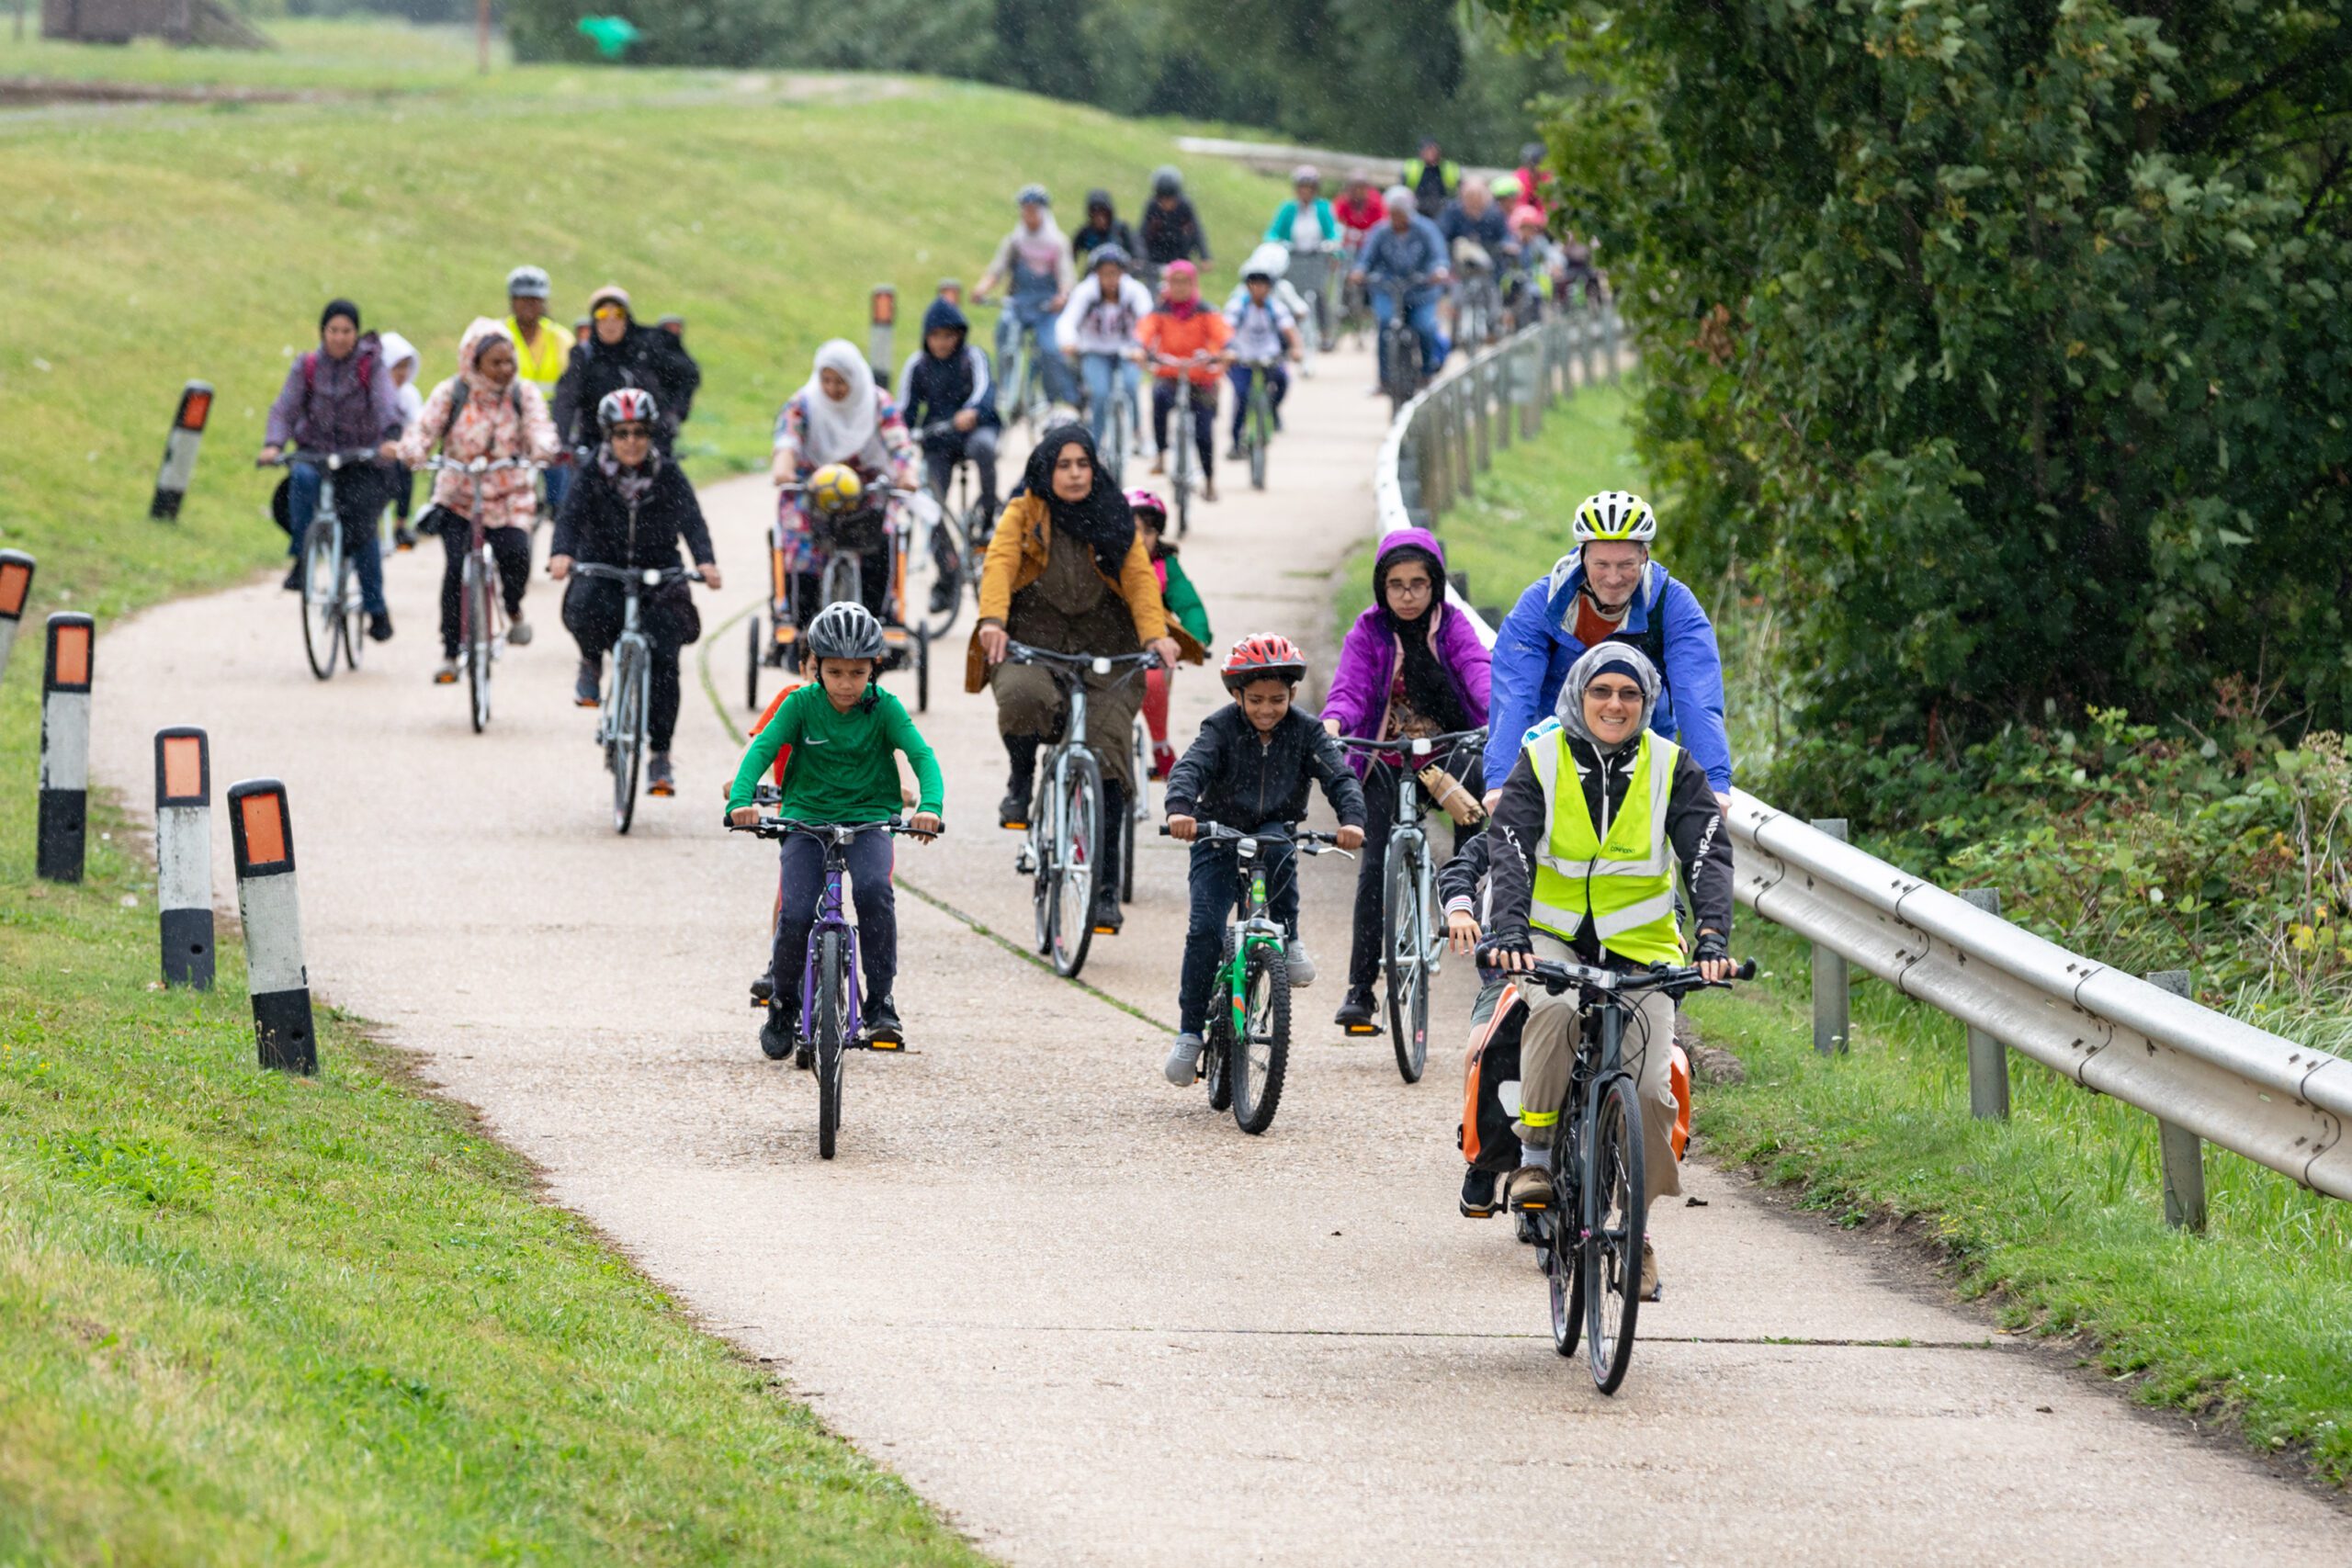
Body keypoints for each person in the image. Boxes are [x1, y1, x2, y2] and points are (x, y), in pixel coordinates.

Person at [1481, 641, 1736, 1299]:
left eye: (1628, 694)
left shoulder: (1673, 767)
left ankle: (1638, 1229)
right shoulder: (1541, 759)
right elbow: (1509, 845)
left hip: (1643, 945)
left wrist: (1711, 936)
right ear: (1579, 696)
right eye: (1601, 692)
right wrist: (1509, 929)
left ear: (1646, 702)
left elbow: (1707, 850)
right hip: (1552, 937)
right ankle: (1536, 1152)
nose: (1614, 704)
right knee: (1557, 1011)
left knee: (1651, 1088)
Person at [967, 426, 1189, 931]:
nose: (1073, 474)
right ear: (1046, 470)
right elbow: (999, 564)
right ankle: (1021, 779)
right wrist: (993, 621)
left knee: (1110, 750)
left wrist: (1155, 635)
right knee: (1022, 697)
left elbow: (1137, 575)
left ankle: (1105, 886)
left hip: (1108, 646)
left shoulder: (1114, 514)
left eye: (1081, 464)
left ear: (1095, 467)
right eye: (1062, 464)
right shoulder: (1023, 512)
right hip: (1034, 639)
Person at [727, 601, 944, 1053]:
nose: (847, 684)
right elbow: (762, 750)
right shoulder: (800, 705)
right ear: (816, 668)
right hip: (805, 819)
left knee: (874, 893)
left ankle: (881, 1003)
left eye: (858, 673)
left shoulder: (885, 708)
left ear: (874, 669)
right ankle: (784, 1003)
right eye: (836, 673)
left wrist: (931, 805)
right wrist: (740, 800)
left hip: (869, 820)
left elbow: (921, 756)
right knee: (796, 911)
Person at [1162, 634, 1367, 1085]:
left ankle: (1288, 937)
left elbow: (1340, 776)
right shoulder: (1219, 729)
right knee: (1204, 930)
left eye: (1277, 699)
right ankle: (1190, 1032)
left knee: (1279, 847)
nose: (1266, 709)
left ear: (1292, 694)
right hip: (1217, 831)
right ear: (1237, 695)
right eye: (1254, 700)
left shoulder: (1306, 731)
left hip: (1274, 826)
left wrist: (1352, 819)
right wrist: (1180, 809)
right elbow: (1190, 768)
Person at [1320, 527, 1492, 1031]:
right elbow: (1349, 689)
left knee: (1477, 825)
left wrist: (1495, 717)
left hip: (1449, 750)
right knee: (1374, 866)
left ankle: (1467, 913)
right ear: (1382, 588)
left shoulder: (1454, 626)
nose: (1408, 595)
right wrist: (1333, 723)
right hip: (1386, 756)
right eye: (1396, 585)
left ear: (1435, 584)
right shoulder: (1367, 632)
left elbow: (1480, 672)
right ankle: (1359, 991)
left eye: (1419, 583)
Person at [1481, 490, 1733, 808]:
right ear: (1582, 555)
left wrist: (1714, 782)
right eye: (1601, 564)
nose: (1613, 578)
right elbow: (1514, 694)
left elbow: (1697, 697)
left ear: (1645, 556)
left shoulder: (1674, 605)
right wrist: (1502, 781)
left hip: (1642, 759)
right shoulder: (1541, 605)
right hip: (1556, 756)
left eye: (1626, 564)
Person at [549, 388, 720, 797]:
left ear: (651, 435)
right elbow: (569, 516)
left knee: (666, 659)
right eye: (622, 433)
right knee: (583, 604)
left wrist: (705, 561)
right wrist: (561, 553)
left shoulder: (668, 473)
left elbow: (692, 520)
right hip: (604, 566)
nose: (631, 442)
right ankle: (591, 662)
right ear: (608, 435)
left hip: (657, 571)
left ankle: (660, 756)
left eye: (640, 433)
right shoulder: (591, 471)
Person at [396, 318, 560, 683]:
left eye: (509, 361)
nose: (505, 370)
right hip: (459, 497)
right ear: (473, 362)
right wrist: (413, 451)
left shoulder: (523, 393)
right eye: (495, 363)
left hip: (510, 495)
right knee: (457, 570)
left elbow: (539, 426)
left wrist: (543, 448)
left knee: (517, 555)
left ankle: (513, 608)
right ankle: (451, 653)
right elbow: (425, 429)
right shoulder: (451, 393)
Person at [260, 299, 401, 628]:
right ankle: (301, 557)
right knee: (301, 480)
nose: (339, 337)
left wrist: (390, 438)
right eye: (333, 330)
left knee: (362, 529)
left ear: (356, 333)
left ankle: (376, 607)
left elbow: (385, 404)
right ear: (322, 332)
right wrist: (273, 443)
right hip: (316, 453)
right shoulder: (306, 366)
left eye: (346, 331)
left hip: (360, 459)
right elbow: (285, 408)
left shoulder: (371, 366)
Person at [770, 339, 919, 626]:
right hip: (814, 484)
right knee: (799, 537)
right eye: (826, 380)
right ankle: (801, 621)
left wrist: (907, 473)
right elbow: (788, 437)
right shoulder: (804, 402)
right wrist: (783, 466)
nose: (832, 389)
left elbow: (899, 442)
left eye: (841, 382)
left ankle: (877, 617)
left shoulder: (877, 402)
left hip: (865, 485)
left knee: (883, 534)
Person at [897, 296, 1002, 589]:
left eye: (948, 336)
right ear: (925, 337)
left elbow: (985, 393)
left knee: (984, 449)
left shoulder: (974, 358)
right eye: (935, 336)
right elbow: (904, 411)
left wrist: (972, 412)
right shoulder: (917, 367)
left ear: (959, 336)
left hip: (975, 431)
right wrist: (901, 437)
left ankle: (989, 515)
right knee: (929, 503)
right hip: (938, 440)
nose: (941, 343)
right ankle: (947, 571)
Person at [549, 283, 701, 453]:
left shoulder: (650, 345)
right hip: (597, 446)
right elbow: (566, 399)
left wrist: (675, 413)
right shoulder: (584, 355)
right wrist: (560, 442)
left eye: (618, 314)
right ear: (594, 319)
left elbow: (688, 374)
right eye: (603, 314)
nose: (610, 321)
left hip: (653, 443)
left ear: (627, 318)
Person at [973, 184, 1080, 409]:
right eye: (1025, 209)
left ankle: (1054, 398)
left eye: (1032, 209)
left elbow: (1066, 275)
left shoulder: (1056, 242)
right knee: (1004, 332)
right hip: (1020, 302)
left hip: (1045, 307)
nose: (1028, 215)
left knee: (1050, 349)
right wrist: (982, 289)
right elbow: (997, 269)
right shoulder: (1015, 240)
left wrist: (1063, 295)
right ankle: (1005, 386)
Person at [1128, 489, 1210, 779]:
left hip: (1153, 651)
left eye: (1149, 531)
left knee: (1152, 680)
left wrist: (1196, 638)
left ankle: (1160, 744)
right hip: (1111, 647)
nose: (1141, 538)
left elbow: (1189, 604)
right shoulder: (1108, 560)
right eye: (1133, 530)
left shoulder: (1166, 566)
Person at [1138, 262, 1230, 502]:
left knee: (1203, 431)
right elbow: (1144, 333)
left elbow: (1222, 337)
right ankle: (1160, 454)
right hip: (1170, 375)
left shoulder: (1206, 311)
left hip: (1200, 378)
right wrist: (1140, 349)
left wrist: (1222, 353)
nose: (1179, 288)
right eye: (1174, 282)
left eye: (1184, 282)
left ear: (1194, 283)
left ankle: (1209, 481)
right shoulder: (1159, 311)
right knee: (1158, 399)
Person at [1055, 243, 1153, 457]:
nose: (1110, 279)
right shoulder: (1085, 292)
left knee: (1130, 384)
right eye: (1104, 273)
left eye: (1114, 273)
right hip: (1095, 350)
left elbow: (1149, 322)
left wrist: (1143, 346)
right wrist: (1069, 342)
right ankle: (1096, 443)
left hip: (1128, 350)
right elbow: (1067, 321)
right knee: (1099, 393)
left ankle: (1138, 433)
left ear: (1123, 273)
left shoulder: (1135, 292)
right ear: (1096, 273)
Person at [1351, 186, 1452, 383]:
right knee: (1386, 324)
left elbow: (1438, 256)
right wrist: (1360, 271)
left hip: (1421, 291)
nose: (1397, 218)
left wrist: (1438, 270)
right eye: (1393, 212)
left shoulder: (1426, 229)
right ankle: (1384, 378)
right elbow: (1366, 258)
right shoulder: (1380, 232)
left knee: (1424, 327)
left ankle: (1427, 372)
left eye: (1401, 213)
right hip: (1387, 290)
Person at [504, 264, 573, 515]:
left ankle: (558, 511)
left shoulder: (560, 338)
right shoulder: (500, 334)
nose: (529, 306)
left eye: (535, 300)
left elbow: (573, 385)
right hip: (508, 413)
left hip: (553, 416)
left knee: (557, 465)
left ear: (544, 302)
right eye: (523, 300)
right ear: (512, 301)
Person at [1221, 254, 1302, 458]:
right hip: (1241, 358)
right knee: (1241, 396)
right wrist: (1226, 351)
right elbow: (1225, 330)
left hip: (1269, 356)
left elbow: (1290, 329)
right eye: (1254, 284)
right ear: (1248, 286)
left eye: (1263, 284)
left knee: (1282, 381)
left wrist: (1296, 348)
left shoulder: (1275, 307)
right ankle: (1236, 440)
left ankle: (1272, 409)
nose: (1259, 289)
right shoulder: (1237, 306)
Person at [379, 331, 425, 551]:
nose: (403, 373)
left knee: (404, 467)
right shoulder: (373, 393)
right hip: (374, 447)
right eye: (397, 367)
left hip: (397, 448)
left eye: (407, 367)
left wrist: (408, 448)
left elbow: (417, 425)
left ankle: (401, 523)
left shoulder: (409, 395)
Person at [1138, 165, 1212, 277]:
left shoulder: (1185, 207)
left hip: (1180, 259)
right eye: (1162, 199)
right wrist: (1139, 257)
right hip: (1155, 260)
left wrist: (1205, 256)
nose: (1166, 204)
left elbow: (1197, 232)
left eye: (1170, 199)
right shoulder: (1152, 207)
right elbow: (1141, 234)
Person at [1264, 165, 1340, 247]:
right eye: (1302, 187)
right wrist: (1277, 242)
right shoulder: (1288, 208)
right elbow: (1272, 233)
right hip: (1291, 253)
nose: (1305, 191)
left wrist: (1331, 243)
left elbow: (1333, 232)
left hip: (1318, 254)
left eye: (1310, 187)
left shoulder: (1323, 208)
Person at [1071, 188, 1140, 268]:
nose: (1100, 218)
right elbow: (1070, 256)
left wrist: (1135, 263)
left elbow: (1137, 251)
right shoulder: (1085, 233)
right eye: (1096, 214)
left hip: (1120, 270)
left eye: (1103, 214)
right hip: (1096, 272)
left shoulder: (1121, 229)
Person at [1403, 135, 1459, 213]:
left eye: (1433, 150)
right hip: (1416, 208)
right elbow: (1403, 189)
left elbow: (1455, 191)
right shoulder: (1412, 166)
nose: (1431, 153)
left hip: (1442, 208)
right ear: (1421, 152)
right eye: (1428, 150)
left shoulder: (1448, 167)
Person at [1333, 176, 1386, 247]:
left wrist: (1365, 235)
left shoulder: (1376, 203)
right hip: (1347, 244)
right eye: (1355, 188)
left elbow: (1381, 225)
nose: (1358, 192)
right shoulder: (1343, 202)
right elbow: (1337, 223)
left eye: (1361, 188)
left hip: (1370, 243)